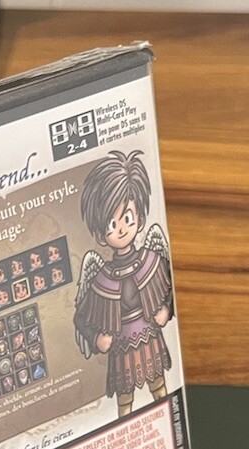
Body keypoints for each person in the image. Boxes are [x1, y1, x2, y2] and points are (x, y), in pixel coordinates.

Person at [74, 149, 173, 417]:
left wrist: (167, 308)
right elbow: (80, 317)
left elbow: (170, 285)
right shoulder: (100, 278)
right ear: (101, 234)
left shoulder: (153, 259)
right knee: (125, 402)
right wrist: (96, 338)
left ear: (139, 218)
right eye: (111, 222)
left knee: (160, 389)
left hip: (150, 335)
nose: (120, 228)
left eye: (127, 218)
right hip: (120, 348)